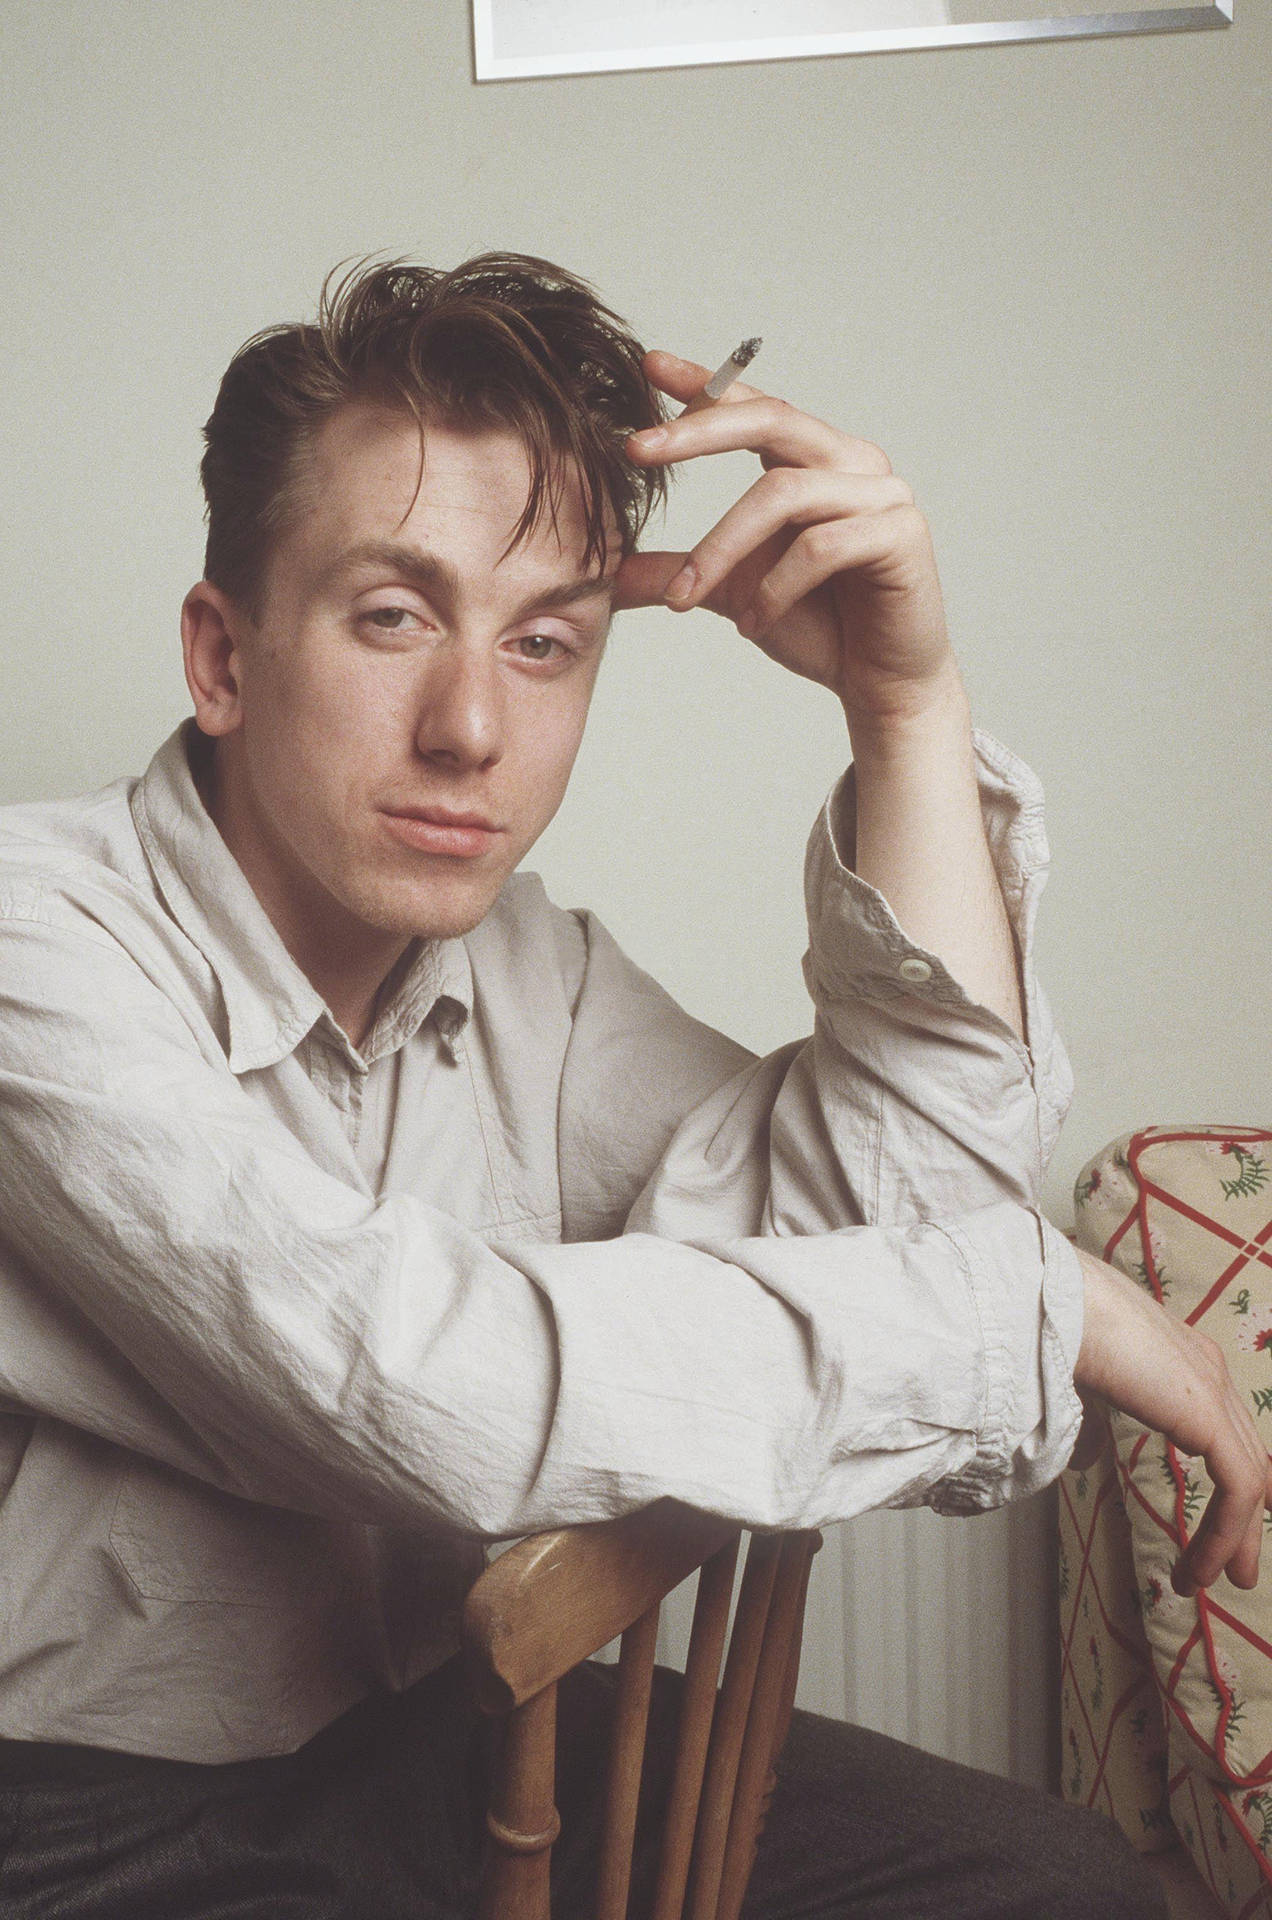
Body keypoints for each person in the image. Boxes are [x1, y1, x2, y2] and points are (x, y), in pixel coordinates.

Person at [0, 252, 1259, 1918]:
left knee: (1065, 1889)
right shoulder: (35, 938)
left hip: (450, 1737)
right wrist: (1031, 1304)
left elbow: (915, 1199)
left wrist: (905, 702)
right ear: (223, 659)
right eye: (394, 616)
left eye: (545, 642)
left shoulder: (531, 966)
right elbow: (408, 1376)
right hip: (93, 1821)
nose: (470, 726)